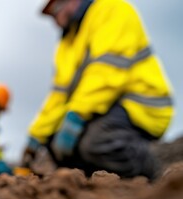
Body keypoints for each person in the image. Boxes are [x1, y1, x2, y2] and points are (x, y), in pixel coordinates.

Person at [22, 0, 174, 180]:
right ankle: (99, 181)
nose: (55, 20)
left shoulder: (112, 9)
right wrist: (36, 137)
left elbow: (106, 74)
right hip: (102, 106)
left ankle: (151, 170)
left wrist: (76, 116)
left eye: (56, 10)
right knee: (56, 143)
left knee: (95, 142)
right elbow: (58, 96)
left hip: (141, 105)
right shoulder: (68, 41)